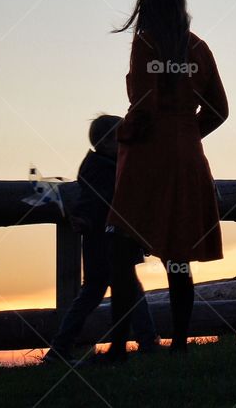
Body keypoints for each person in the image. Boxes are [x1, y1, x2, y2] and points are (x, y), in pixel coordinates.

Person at [105, 0, 229, 361]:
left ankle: (120, 347)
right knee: (178, 254)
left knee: (120, 248)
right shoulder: (200, 49)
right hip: (188, 158)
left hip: (149, 157)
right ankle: (178, 345)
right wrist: (189, 135)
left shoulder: (146, 44)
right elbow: (220, 110)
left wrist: (121, 137)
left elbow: (143, 107)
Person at [42, 114, 159, 364]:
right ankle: (61, 348)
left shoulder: (104, 167)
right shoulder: (102, 170)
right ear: (108, 143)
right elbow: (95, 202)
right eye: (122, 139)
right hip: (105, 243)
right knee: (101, 293)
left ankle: (147, 341)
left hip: (110, 241)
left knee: (119, 292)